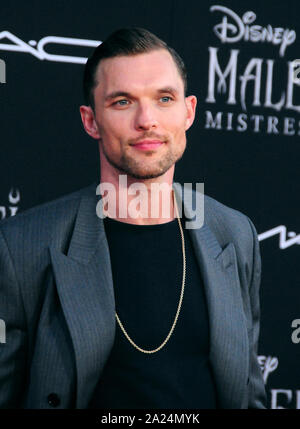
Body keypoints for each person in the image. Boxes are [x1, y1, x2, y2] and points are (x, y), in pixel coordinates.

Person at [0, 27, 266, 409]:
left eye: (164, 98)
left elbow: (248, 392)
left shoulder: (234, 234)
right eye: (123, 102)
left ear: (188, 112)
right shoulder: (22, 248)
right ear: (91, 120)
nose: (147, 120)